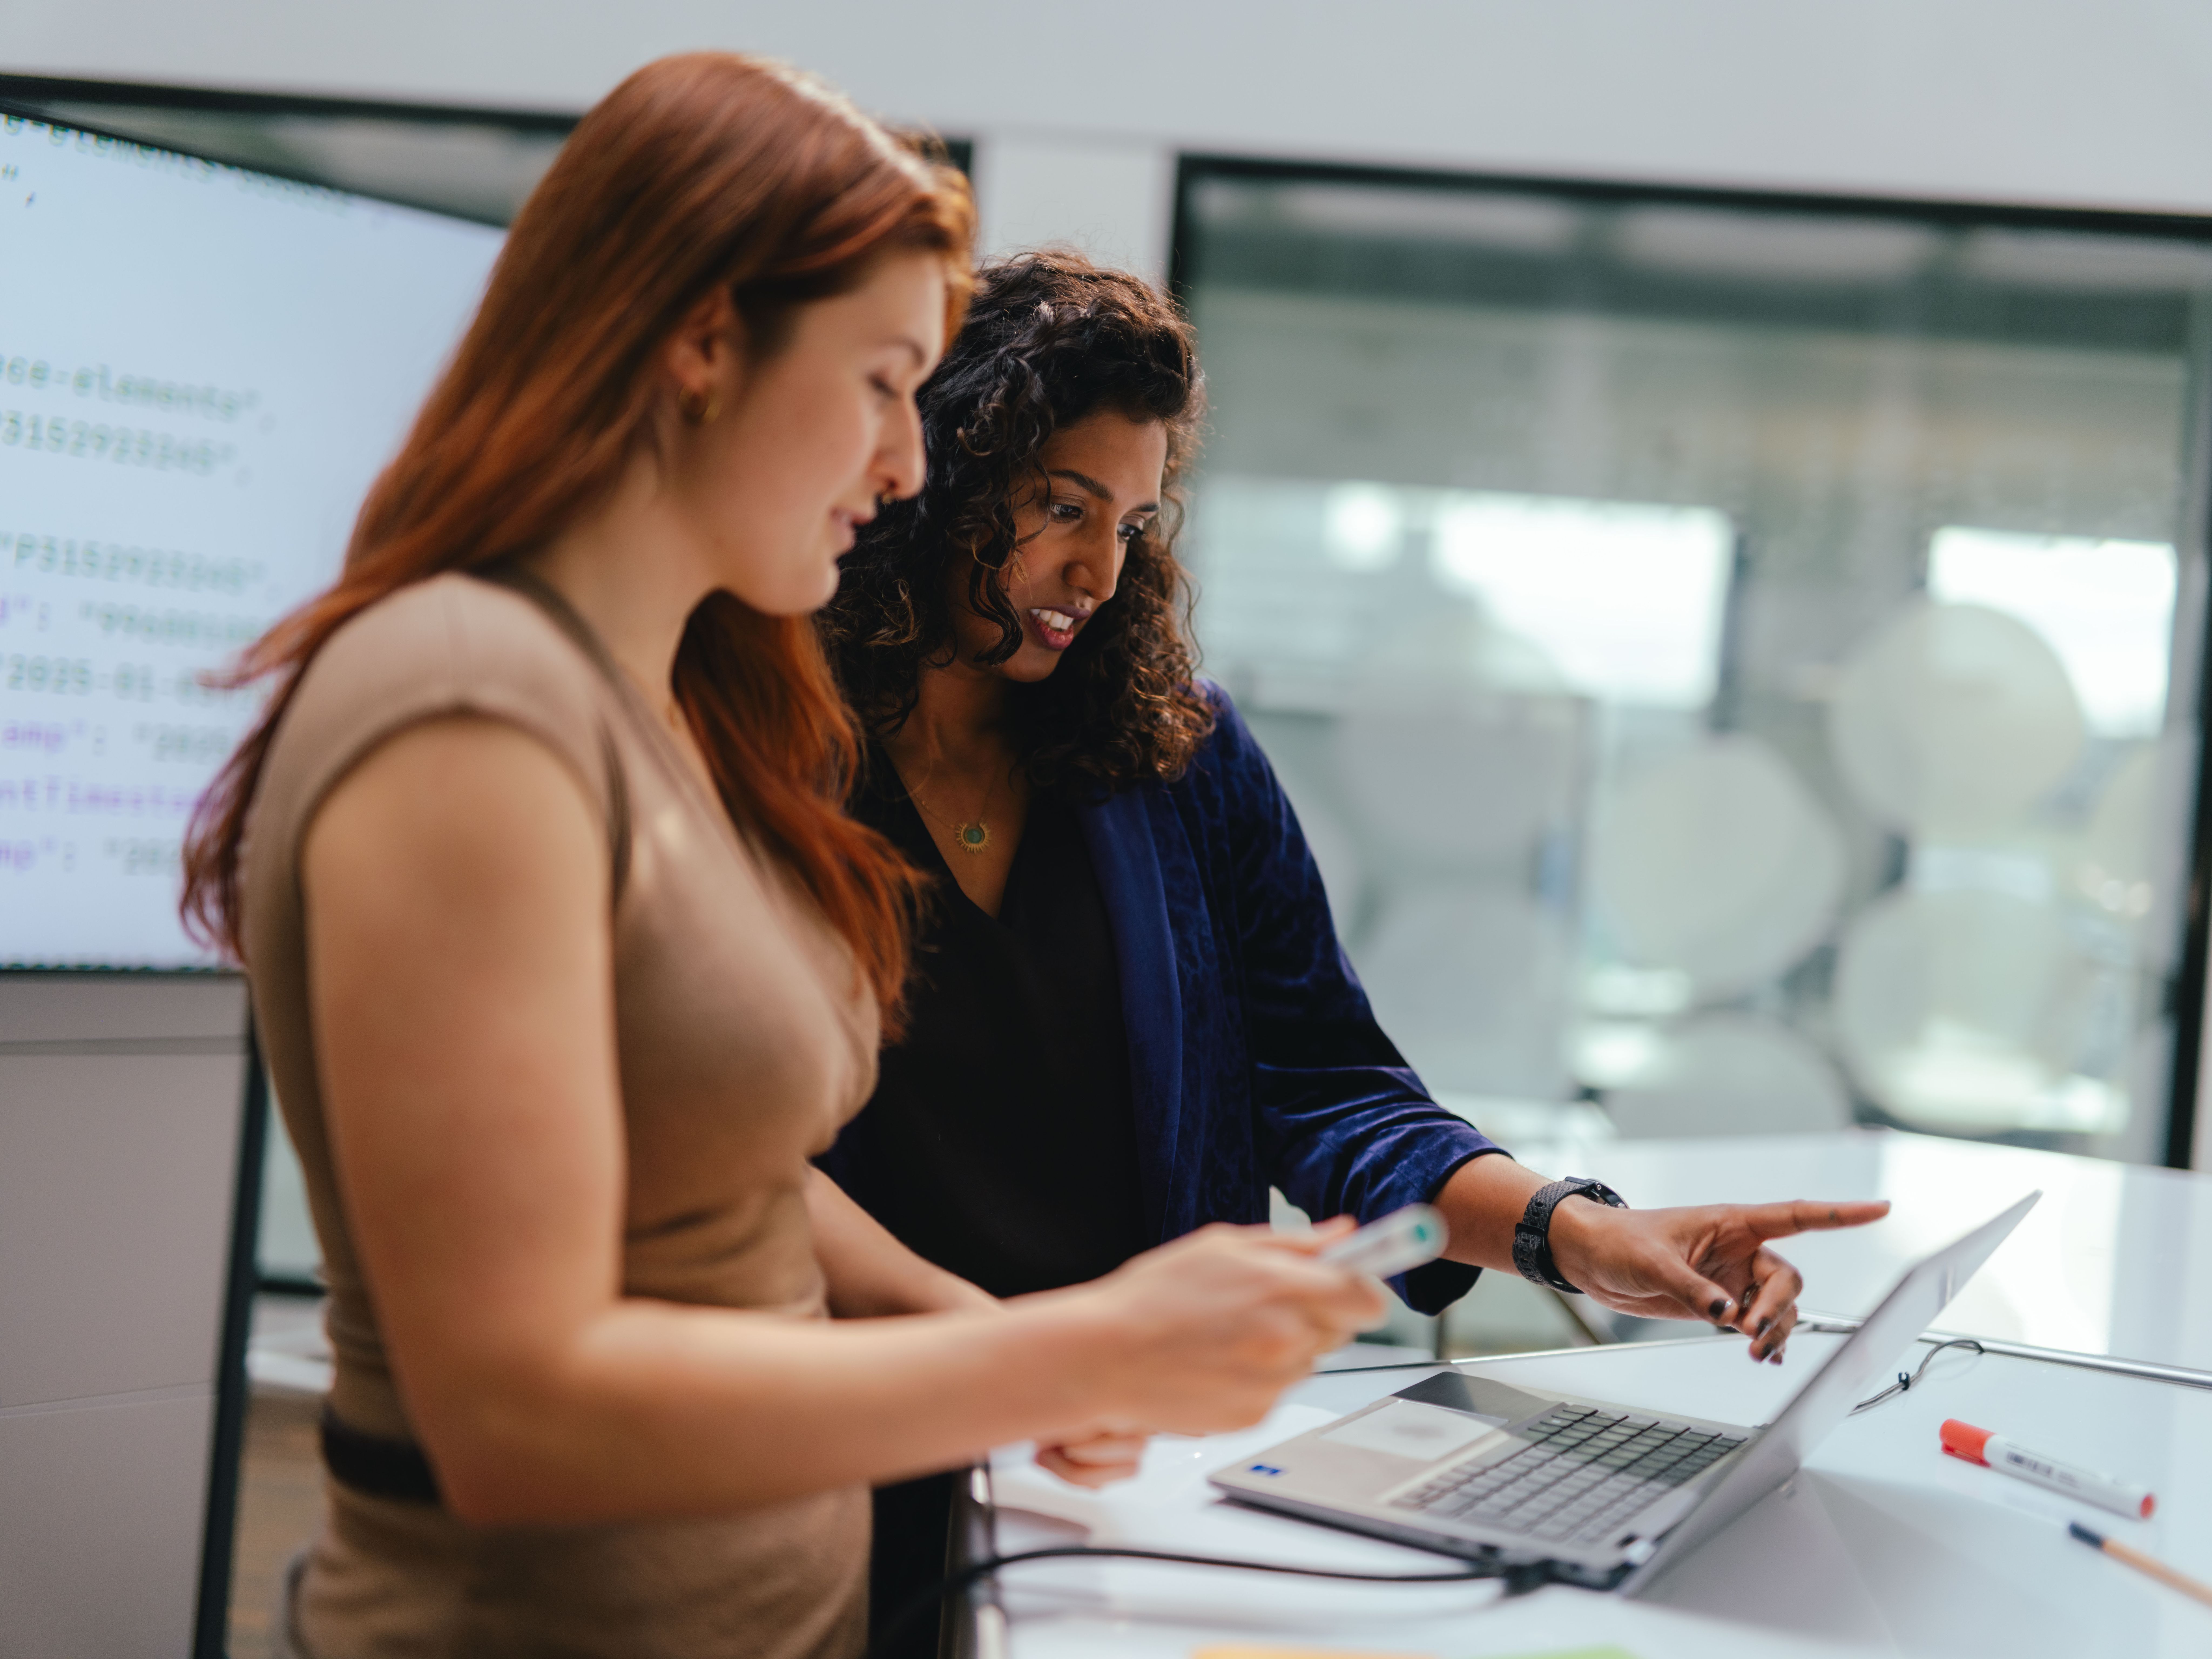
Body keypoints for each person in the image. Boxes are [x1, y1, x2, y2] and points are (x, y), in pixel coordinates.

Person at [181, 61, 1384, 1659]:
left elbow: (726, 1188)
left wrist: (989, 1333)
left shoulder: (658, 703)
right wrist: (1078, 1352)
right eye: (882, 384)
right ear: (701, 347)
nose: (906, 466)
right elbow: (513, 1415)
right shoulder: (470, 707)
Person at [815, 251, 1890, 1630]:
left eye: (1132, 524)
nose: (1095, 570)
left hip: (1125, 1476)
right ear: (935, 473)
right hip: (842, 1448)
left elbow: (1326, 1085)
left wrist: (1577, 1235)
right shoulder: (764, 747)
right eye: (1059, 507)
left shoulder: (1177, 758)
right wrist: (1007, 1359)